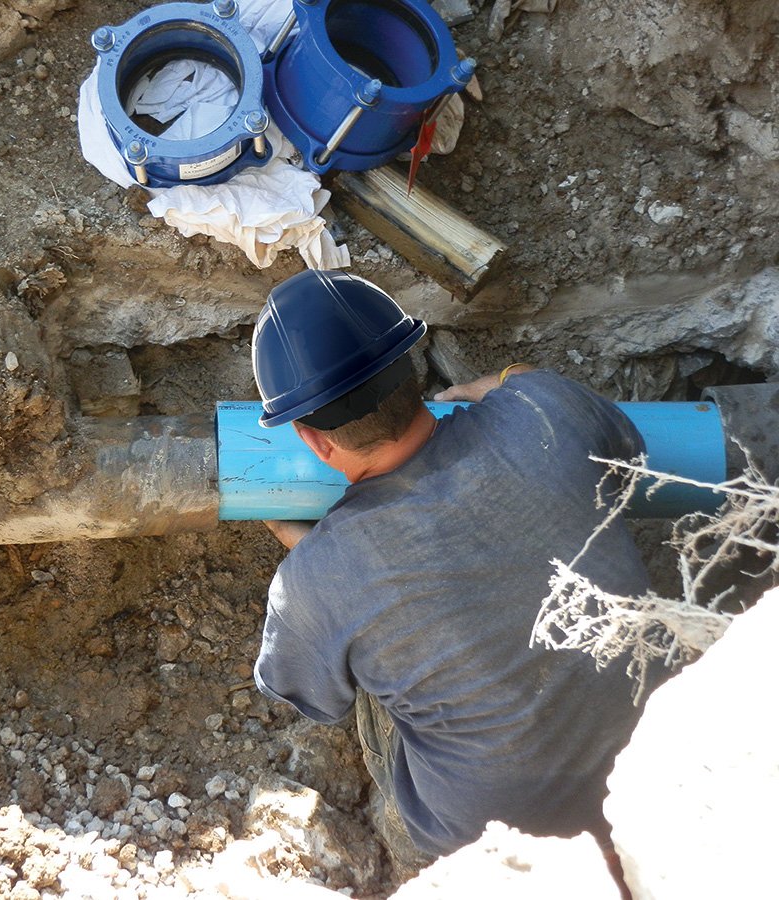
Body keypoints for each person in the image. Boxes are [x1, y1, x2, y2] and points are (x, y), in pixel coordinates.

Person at [250, 270, 652, 881]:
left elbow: (311, 695)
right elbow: (627, 450)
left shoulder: (316, 577)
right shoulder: (545, 409)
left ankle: (410, 846)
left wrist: (308, 565)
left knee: (364, 669)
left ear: (312, 441)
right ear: (414, 375)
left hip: (496, 840)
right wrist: (503, 382)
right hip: (658, 765)